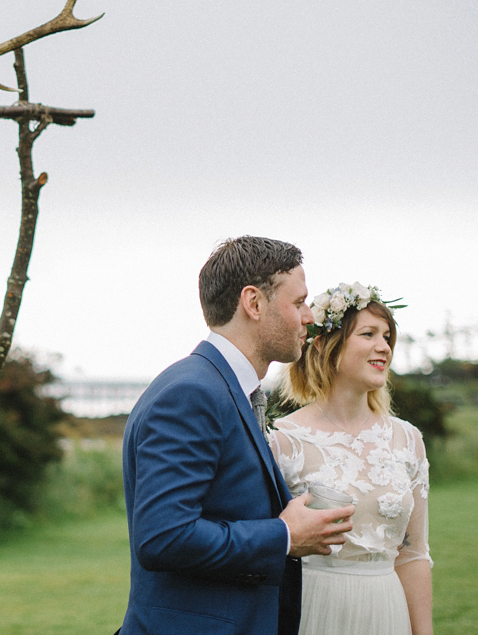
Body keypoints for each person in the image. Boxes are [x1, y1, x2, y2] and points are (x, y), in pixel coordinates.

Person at [120, 236, 355, 635]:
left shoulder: (226, 388)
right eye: (298, 302)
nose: (310, 315)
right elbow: (164, 537)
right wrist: (284, 535)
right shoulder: (192, 393)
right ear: (254, 304)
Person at [268, 283, 433, 635]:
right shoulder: (283, 442)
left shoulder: (408, 440)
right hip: (313, 609)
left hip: (387, 611)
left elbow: (414, 554)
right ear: (329, 345)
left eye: (388, 337)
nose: (383, 347)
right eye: (369, 334)